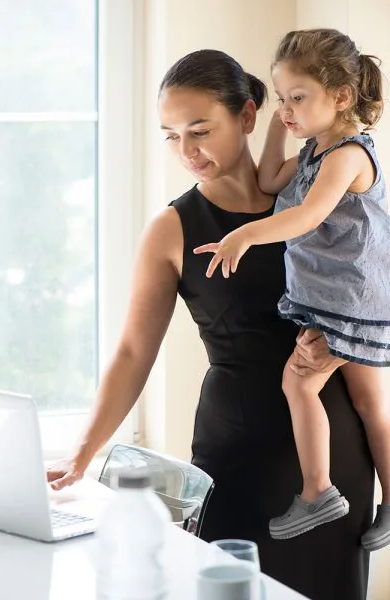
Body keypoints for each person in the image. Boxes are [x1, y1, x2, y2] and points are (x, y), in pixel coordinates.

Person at [47, 49, 374, 600]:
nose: (187, 150)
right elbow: (133, 352)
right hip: (235, 453)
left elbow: (374, 289)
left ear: (248, 117)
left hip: (333, 453)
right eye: (171, 136)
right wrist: (83, 453)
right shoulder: (171, 229)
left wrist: (345, 347)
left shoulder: (320, 196)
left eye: (200, 130)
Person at [194, 30, 389, 552]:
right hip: (347, 299)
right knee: (373, 404)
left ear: (342, 97)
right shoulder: (315, 151)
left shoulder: (347, 156)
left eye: (297, 98)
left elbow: (307, 215)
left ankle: (317, 488)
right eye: (282, 99)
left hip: (346, 303)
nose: (287, 109)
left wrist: (242, 235)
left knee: (299, 384)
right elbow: (266, 183)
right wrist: (281, 125)